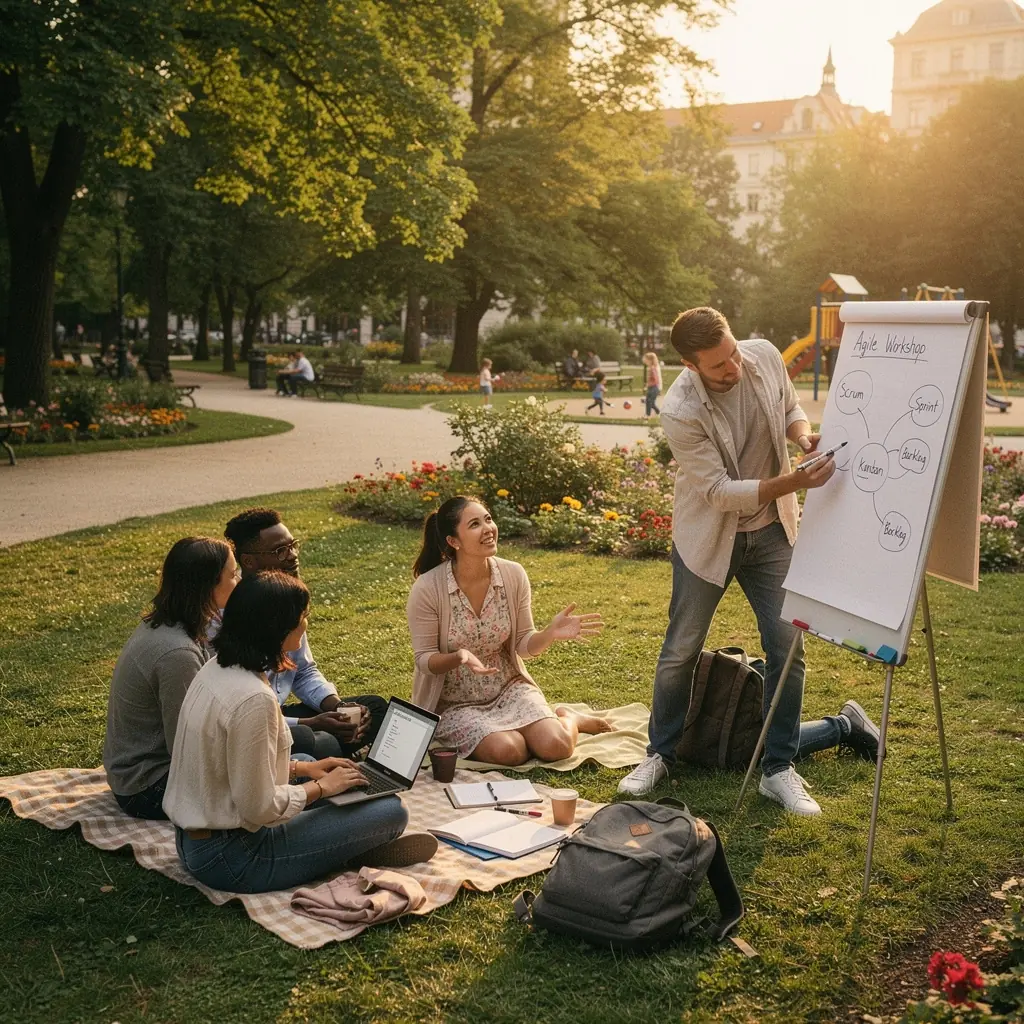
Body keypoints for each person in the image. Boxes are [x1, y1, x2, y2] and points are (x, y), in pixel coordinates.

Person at [617, 307, 881, 814]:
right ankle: (660, 755)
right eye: (719, 366)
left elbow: (788, 409)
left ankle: (778, 769)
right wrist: (796, 481)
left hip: (772, 533)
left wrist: (802, 436)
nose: (733, 367)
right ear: (691, 366)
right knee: (681, 650)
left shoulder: (759, 356)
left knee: (789, 648)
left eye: (733, 353)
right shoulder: (679, 408)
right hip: (709, 537)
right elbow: (718, 492)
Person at [165, 571, 436, 893]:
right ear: (278, 628)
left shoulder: (218, 668)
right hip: (236, 858)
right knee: (391, 811)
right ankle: (348, 850)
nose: (306, 623)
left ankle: (339, 844)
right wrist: (320, 787)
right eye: (302, 616)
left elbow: (229, 765)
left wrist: (304, 769)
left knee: (310, 757)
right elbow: (259, 808)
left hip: (198, 840)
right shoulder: (253, 699)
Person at [407, 496, 611, 767]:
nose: (488, 528)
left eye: (488, 519)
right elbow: (424, 660)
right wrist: (460, 657)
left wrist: (549, 633)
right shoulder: (428, 588)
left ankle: (569, 717)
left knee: (557, 746)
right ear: (454, 541)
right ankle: (518, 732)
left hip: (508, 687)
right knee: (509, 751)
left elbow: (524, 645)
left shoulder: (513, 575)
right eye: (475, 524)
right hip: (456, 703)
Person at [223, 508, 387, 760]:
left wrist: (338, 707)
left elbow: (303, 671)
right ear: (248, 561)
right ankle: (329, 758)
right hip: (255, 725)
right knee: (316, 741)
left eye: (293, 546)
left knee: (373, 708)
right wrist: (314, 723)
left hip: (280, 712)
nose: (293, 556)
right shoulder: (238, 614)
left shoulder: (286, 600)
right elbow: (246, 717)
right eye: (281, 551)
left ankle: (332, 753)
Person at [103, 537, 239, 819]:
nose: (238, 581)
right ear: (208, 586)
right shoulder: (177, 653)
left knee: (298, 750)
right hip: (148, 787)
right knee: (299, 767)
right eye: (232, 575)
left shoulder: (174, 625)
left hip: (151, 772)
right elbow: (189, 746)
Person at [642, 351, 662, 418]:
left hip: (654, 388)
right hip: (652, 387)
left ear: (650, 360)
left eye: (646, 361)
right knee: (649, 402)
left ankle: (648, 415)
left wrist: (649, 384)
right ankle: (658, 412)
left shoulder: (653, 368)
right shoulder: (652, 368)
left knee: (649, 401)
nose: (645, 362)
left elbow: (656, 380)